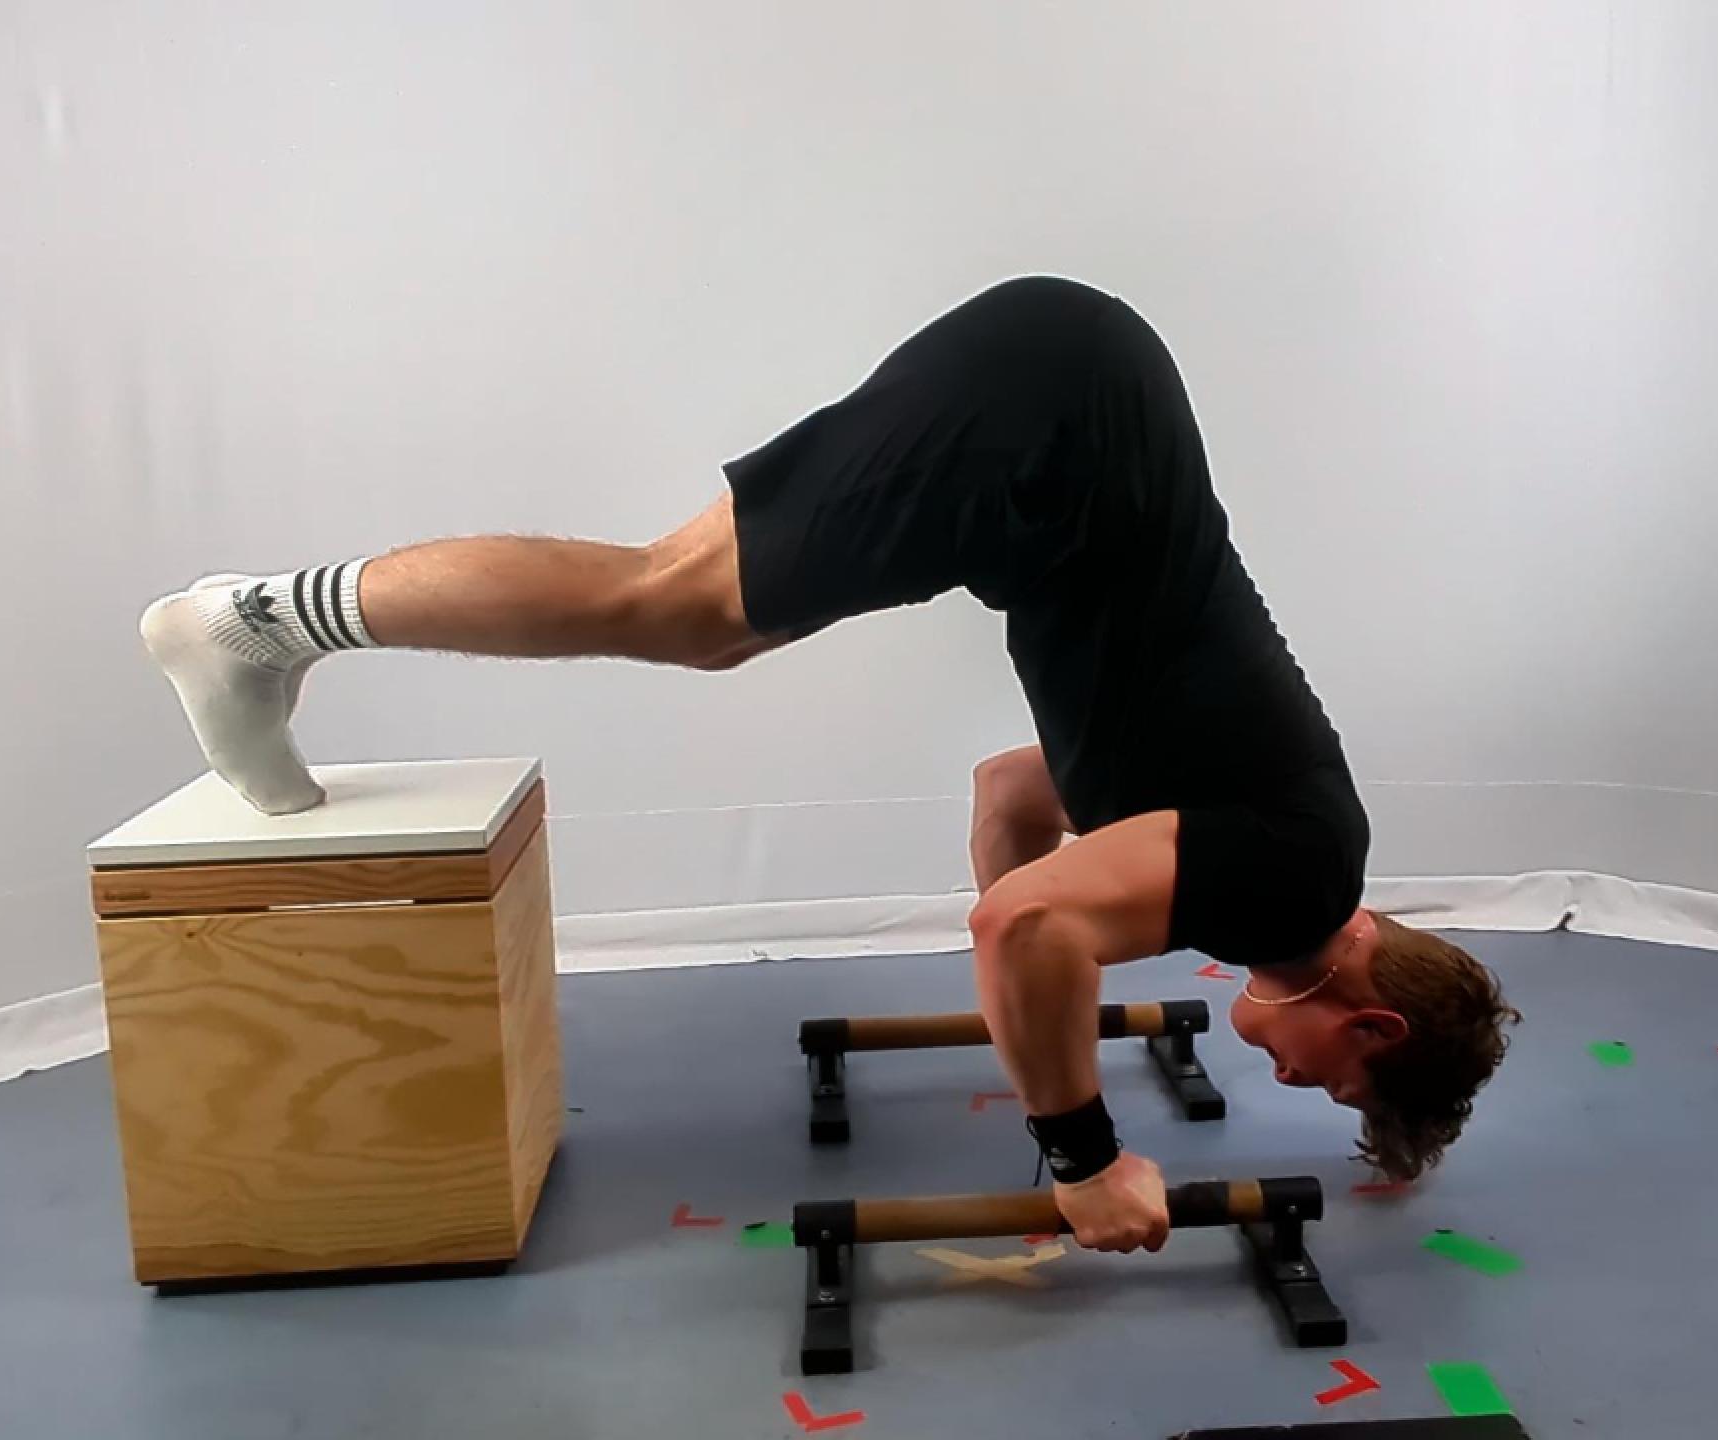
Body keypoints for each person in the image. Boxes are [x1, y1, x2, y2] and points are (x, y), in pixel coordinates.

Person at [139, 276, 1517, 1254]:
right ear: (1372, 1022)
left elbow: (1011, 805)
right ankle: (251, 623)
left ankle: (258, 627)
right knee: (667, 611)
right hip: (1061, 430)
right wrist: (1083, 1156)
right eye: (1332, 1084)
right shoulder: (1285, 891)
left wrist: (1026, 999)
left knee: (677, 602)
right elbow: (1026, 916)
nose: (1294, 1085)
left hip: (1071, 392)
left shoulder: (1289, 842)